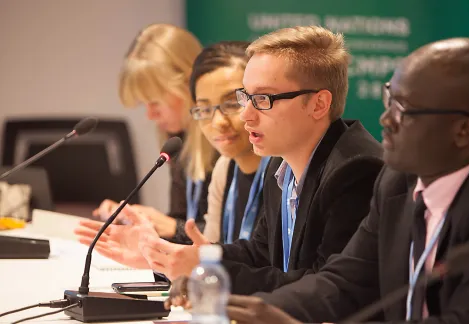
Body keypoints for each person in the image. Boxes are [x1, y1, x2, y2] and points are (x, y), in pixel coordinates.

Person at [197, 37, 469, 324]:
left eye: (404, 110)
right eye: (390, 99)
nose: (386, 119)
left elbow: (467, 319)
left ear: (464, 130)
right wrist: (264, 310)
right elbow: (344, 281)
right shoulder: (396, 183)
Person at [138, 25, 385, 291]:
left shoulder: (356, 171)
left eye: (264, 98)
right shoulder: (281, 162)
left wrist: (209, 271)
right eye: (246, 97)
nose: (246, 115)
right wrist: (199, 256)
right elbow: (261, 253)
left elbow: (327, 286)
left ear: (319, 104)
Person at [74, 41, 271, 269]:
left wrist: (169, 239)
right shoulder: (224, 167)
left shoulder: (283, 171)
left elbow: (274, 269)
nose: (218, 121)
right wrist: (155, 258)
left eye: (231, 103)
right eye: (206, 109)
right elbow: (210, 252)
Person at [87, 23, 218, 244]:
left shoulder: (227, 141)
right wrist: (141, 221)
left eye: (155, 102)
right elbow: (184, 221)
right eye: (144, 104)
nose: (149, 115)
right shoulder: (179, 141)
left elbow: (237, 236)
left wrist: (171, 226)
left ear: (188, 84)